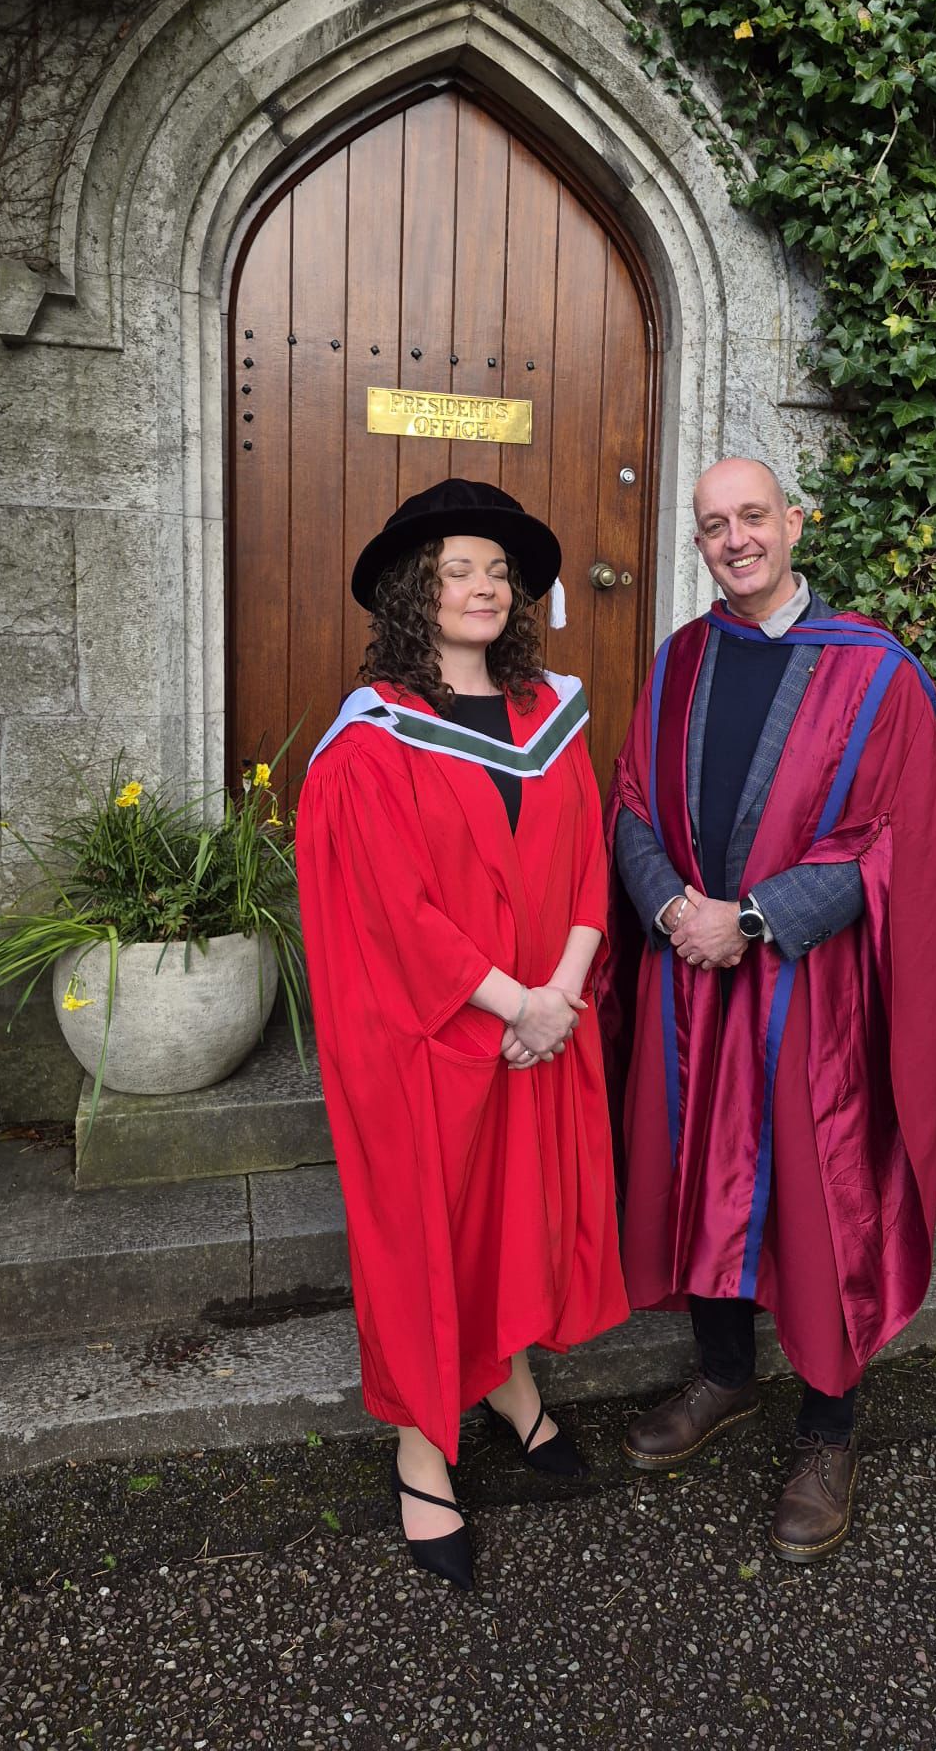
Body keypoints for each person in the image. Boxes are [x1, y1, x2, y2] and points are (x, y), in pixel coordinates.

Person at [602, 457, 936, 1565]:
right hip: (689, 978)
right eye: (714, 524)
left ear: (794, 523)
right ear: (699, 543)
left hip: (806, 987)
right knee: (695, 1166)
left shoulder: (877, 673)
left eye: (754, 515)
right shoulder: (679, 661)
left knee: (815, 1195)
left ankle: (830, 1429)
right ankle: (722, 1371)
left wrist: (749, 918)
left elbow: (892, 842)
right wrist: (668, 906)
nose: (736, 538)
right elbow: (628, 805)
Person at [296, 479, 628, 1590]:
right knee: (431, 1231)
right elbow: (393, 912)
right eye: (455, 570)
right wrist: (514, 1002)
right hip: (435, 1042)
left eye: (495, 569)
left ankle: (507, 1381)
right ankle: (419, 1442)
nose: (481, 585)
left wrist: (565, 992)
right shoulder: (373, 738)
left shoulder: (552, 715)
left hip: (544, 1022)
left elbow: (589, 862)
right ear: (413, 590)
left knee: (515, 1220)